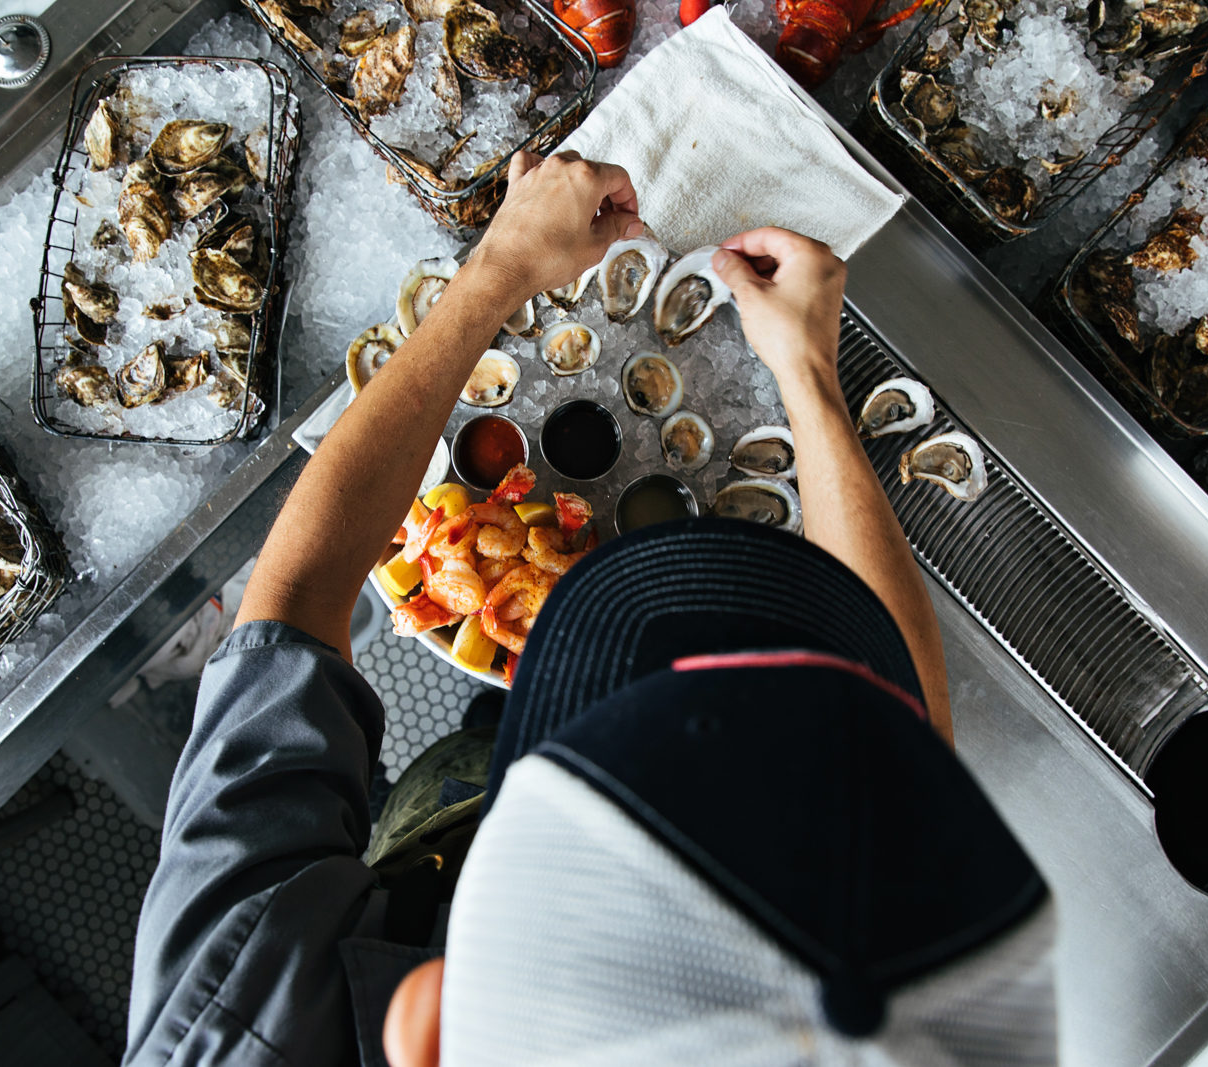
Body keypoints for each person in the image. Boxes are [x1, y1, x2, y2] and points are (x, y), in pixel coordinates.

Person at [124, 151, 1056, 1067]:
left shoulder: (241, 1020)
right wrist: (809, 380)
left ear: (433, 1024)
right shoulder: (896, 992)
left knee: (481, 742)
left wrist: (502, 268)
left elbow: (295, 601)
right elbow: (894, 737)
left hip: (430, 826)